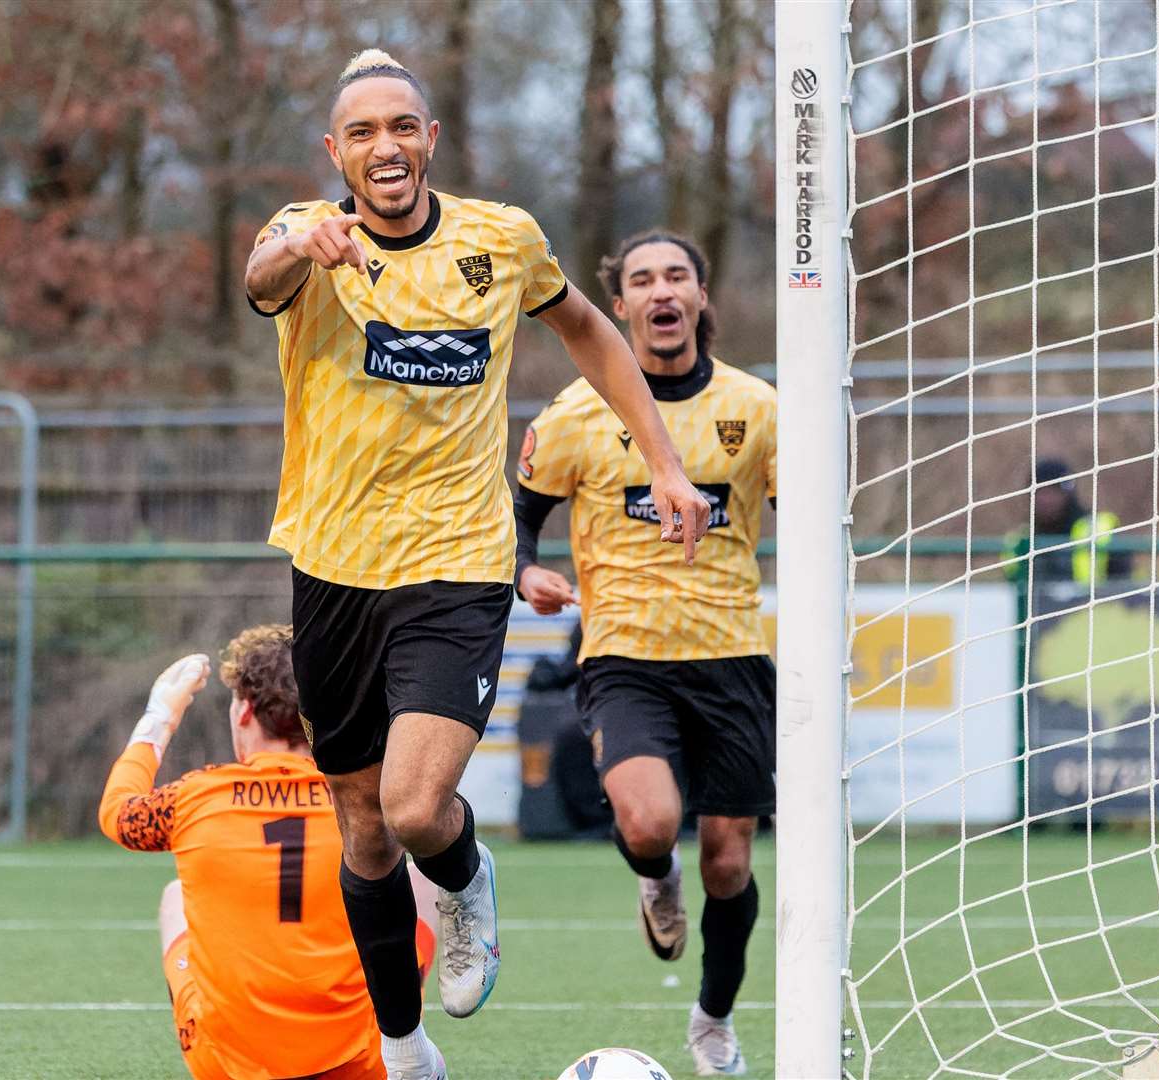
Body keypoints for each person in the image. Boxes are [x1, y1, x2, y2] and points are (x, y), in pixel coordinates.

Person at [243, 48, 709, 1079]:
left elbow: (587, 328)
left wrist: (665, 462)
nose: (385, 147)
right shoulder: (300, 232)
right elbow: (259, 275)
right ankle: (404, 1047)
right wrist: (304, 246)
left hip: (457, 562)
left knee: (413, 810)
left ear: (431, 139)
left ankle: (462, 877)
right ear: (337, 153)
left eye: (401, 126)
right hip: (331, 569)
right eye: (361, 133)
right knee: (362, 829)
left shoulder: (502, 239)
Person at [514, 232, 776, 1076]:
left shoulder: (758, 408)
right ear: (618, 306)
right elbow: (516, 521)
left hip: (733, 656)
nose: (661, 292)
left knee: (730, 861)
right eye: (641, 281)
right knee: (650, 820)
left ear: (701, 296)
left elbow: (812, 514)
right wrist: (526, 571)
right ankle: (655, 876)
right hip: (622, 653)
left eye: (676, 277)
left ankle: (712, 1020)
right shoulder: (576, 414)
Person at [98, 626, 438, 1080]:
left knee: (176, 897)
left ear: (243, 713)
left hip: (222, 1064)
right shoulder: (366, 798)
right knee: (427, 877)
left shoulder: (195, 798)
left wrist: (160, 717)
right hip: (361, 1061)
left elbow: (117, 815)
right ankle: (407, 1045)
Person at [1002, 458, 1130, 590]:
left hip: (1094, 608)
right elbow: (1012, 589)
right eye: (1040, 491)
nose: (1046, 499)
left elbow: (1123, 587)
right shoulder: (1019, 539)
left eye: (1053, 491)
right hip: (1038, 609)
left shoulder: (1100, 529)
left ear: (1068, 494)